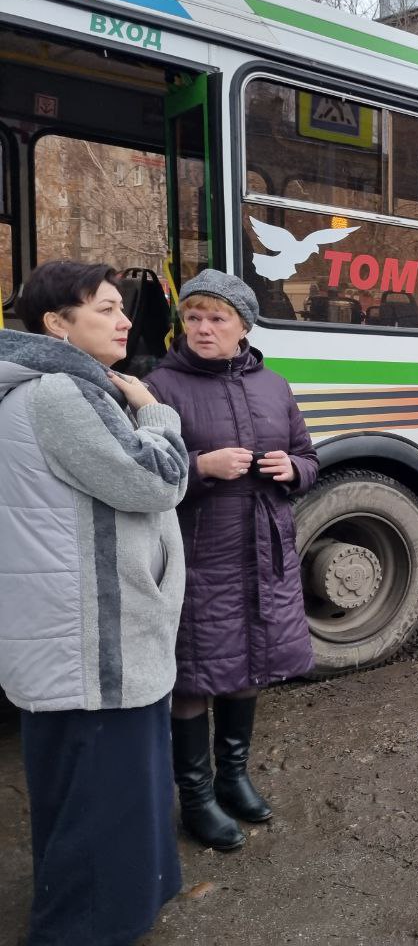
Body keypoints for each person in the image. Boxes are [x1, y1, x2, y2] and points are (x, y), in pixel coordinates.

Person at [0, 261, 189, 944]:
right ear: (57, 324)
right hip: (95, 644)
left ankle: (125, 902)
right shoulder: (58, 393)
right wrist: (154, 411)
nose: (126, 320)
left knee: (95, 797)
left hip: (75, 634)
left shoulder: (43, 388)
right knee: (102, 803)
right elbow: (156, 480)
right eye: (106, 308)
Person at [145, 270, 318, 852]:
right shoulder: (159, 386)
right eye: (192, 317)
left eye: (216, 318)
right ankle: (196, 800)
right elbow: (143, 474)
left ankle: (235, 778)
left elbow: (308, 455)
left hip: (264, 549)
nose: (202, 328)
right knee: (194, 675)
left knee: (249, 666)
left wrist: (294, 470)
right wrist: (199, 469)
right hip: (199, 555)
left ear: (244, 325)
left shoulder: (274, 384)